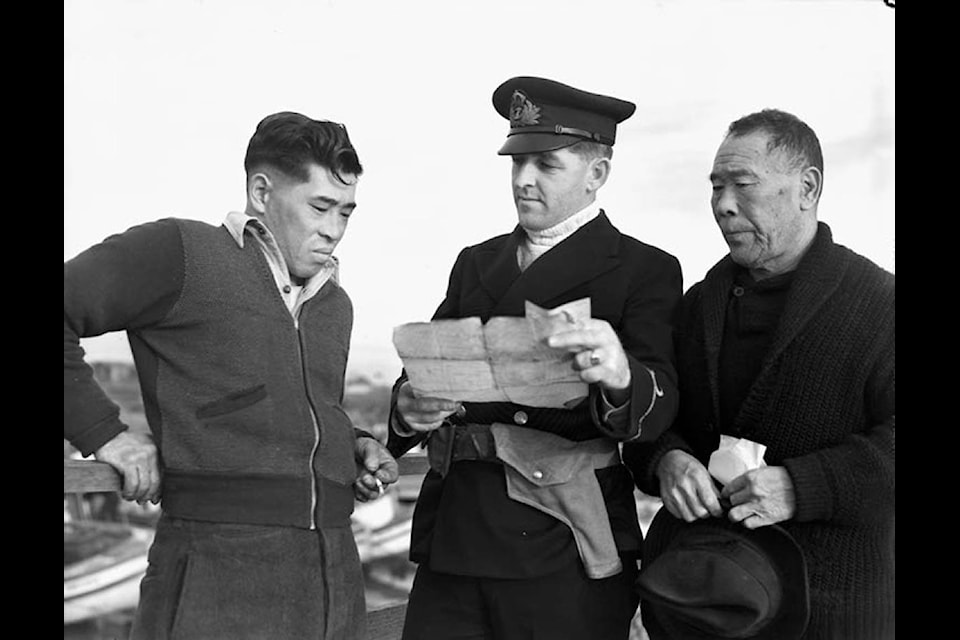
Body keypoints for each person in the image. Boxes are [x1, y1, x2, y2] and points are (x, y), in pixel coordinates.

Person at [63, 111, 400, 640]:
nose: (333, 230)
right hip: (217, 567)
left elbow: (298, 409)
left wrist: (349, 446)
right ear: (262, 192)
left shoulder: (335, 304)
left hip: (335, 569)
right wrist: (105, 434)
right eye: (319, 207)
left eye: (346, 212)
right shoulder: (179, 252)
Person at [386, 76, 683, 640]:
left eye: (546, 165)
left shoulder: (644, 269)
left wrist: (620, 375)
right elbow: (424, 367)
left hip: (562, 540)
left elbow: (660, 400)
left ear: (596, 175)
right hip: (455, 536)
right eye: (516, 163)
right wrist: (408, 406)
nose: (523, 180)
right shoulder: (475, 262)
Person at [623, 108, 895, 640]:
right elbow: (648, 420)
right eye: (716, 186)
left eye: (742, 184)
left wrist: (804, 486)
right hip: (696, 605)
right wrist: (667, 459)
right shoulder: (696, 305)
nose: (723, 204)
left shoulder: (881, 305)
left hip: (831, 611)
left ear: (807, 187)